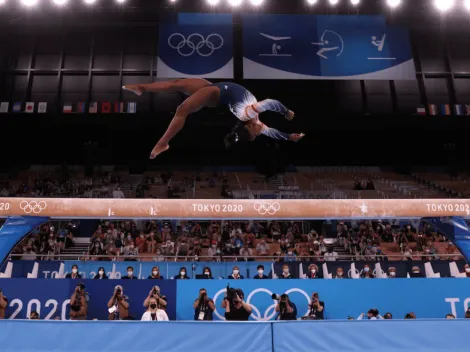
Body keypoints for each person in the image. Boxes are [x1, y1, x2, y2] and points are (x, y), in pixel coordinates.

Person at [122, 79, 305, 159]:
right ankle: (141, 87)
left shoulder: (248, 114)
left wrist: (285, 112)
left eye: (256, 134)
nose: (260, 132)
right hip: (215, 87)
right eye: (258, 134)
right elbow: (273, 132)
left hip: (216, 95)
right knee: (176, 84)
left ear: (248, 127)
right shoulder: (256, 121)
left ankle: (163, 143)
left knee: (182, 109)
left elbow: (271, 102)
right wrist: (290, 136)